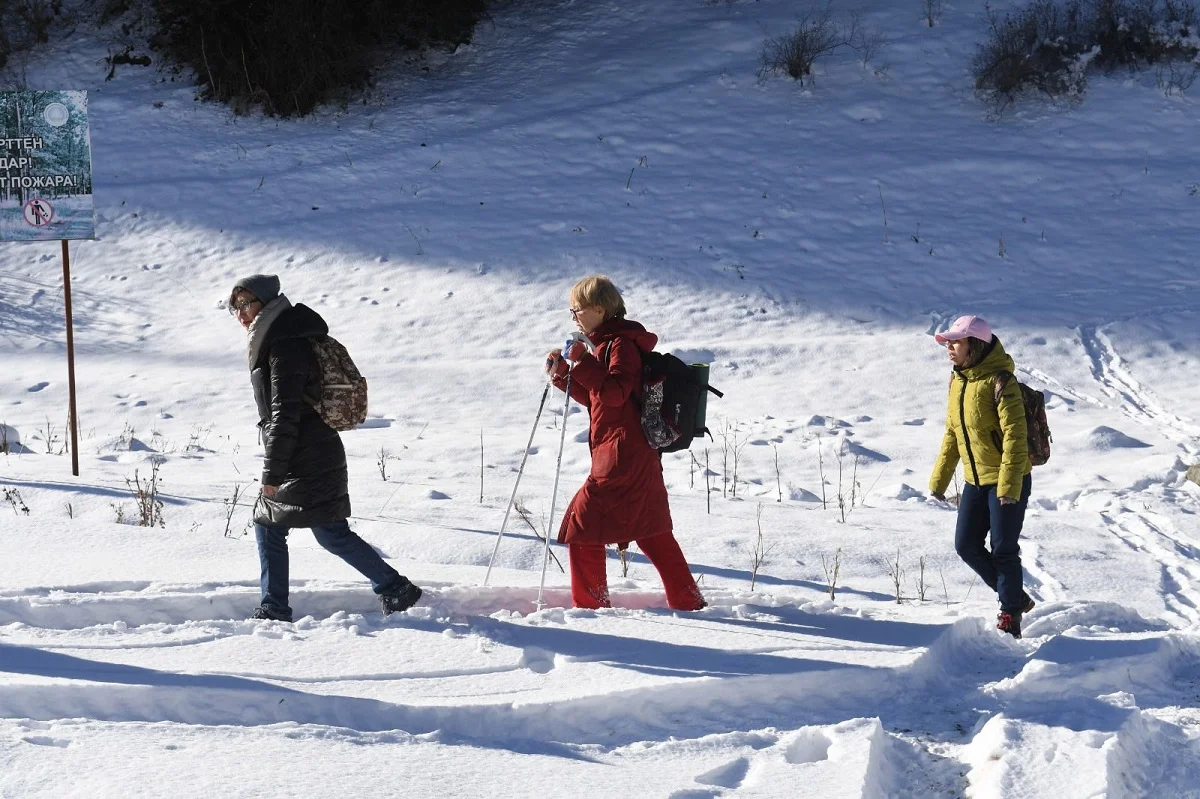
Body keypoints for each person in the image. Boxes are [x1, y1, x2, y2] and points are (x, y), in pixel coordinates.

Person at [228, 274, 422, 622]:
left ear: (268, 302)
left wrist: (272, 472)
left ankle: (275, 608)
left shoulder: (284, 344)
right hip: (311, 450)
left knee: (277, 525)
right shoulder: (281, 337)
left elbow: (284, 414)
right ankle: (395, 588)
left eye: (246, 303)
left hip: (305, 455)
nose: (241, 313)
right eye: (235, 307)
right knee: (326, 532)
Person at [544, 275, 706, 611]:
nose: (573, 317)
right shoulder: (607, 345)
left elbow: (615, 394)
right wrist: (563, 374)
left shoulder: (621, 346)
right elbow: (598, 398)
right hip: (629, 452)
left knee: (583, 525)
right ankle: (688, 602)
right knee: (651, 529)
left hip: (622, 455)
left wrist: (584, 362)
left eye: (577, 310)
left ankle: (590, 607)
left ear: (599, 310)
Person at [929, 315, 1035, 638]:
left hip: (1008, 478)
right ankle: (1013, 595)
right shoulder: (957, 382)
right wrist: (939, 481)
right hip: (974, 481)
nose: (950, 348)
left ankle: (1010, 615)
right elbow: (953, 434)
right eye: (948, 342)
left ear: (973, 345)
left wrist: (1008, 486)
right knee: (965, 544)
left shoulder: (1001, 382)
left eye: (956, 342)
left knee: (1003, 548)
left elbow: (1016, 437)